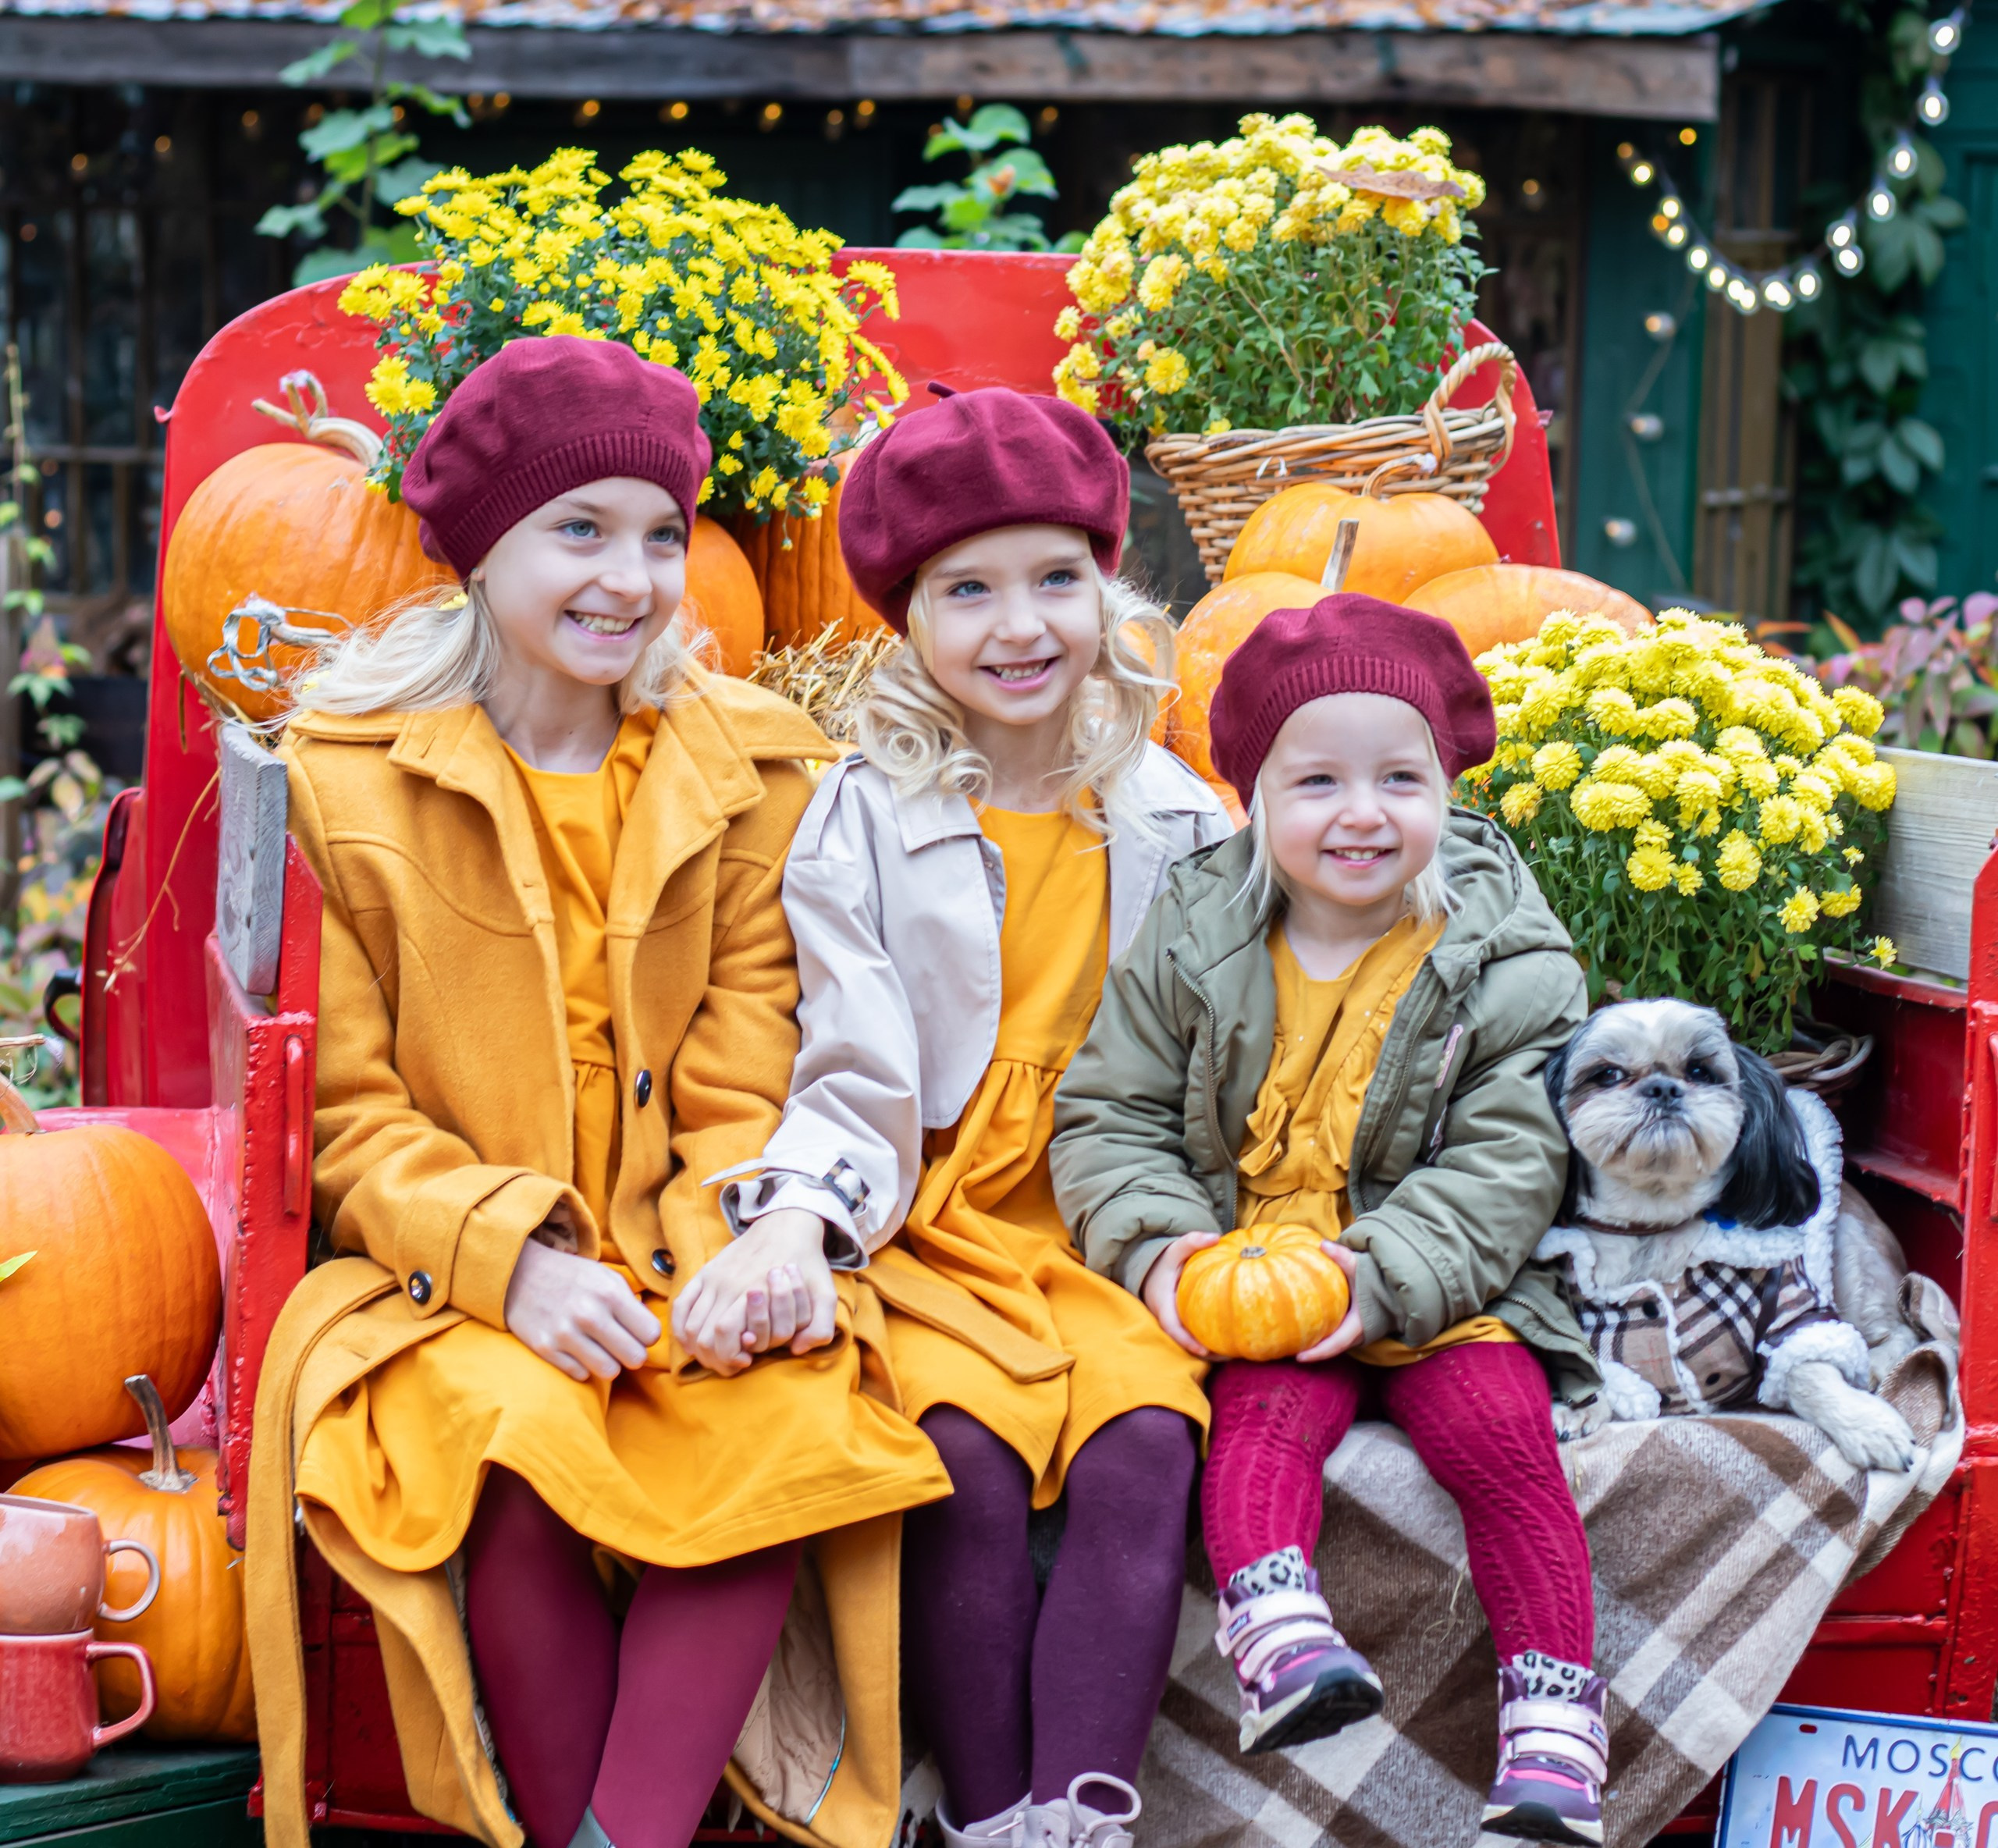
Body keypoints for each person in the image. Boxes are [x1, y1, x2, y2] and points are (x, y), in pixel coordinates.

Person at [246, 336, 951, 1848]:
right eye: (579, 530)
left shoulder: (755, 770)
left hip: (697, 1229)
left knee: (774, 1410)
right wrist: (510, 1258)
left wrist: (741, 1248)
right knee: (498, 1430)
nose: (628, 578)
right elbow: (347, 1112)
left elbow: (748, 1056)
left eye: (658, 535)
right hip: (453, 1267)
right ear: (483, 547)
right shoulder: (342, 780)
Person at [716, 386, 1232, 1848]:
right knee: (967, 1460)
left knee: (1144, 1446)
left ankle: (1078, 1819)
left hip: (1116, 1208)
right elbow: (856, 1065)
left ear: (1109, 590)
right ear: (907, 623)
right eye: (969, 591)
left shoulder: (1184, 819)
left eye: (1058, 578)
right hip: (939, 1209)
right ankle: (991, 1815)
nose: (1023, 626)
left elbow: (1233, 1055)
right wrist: (807, 1218)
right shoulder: (863, 818)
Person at [1051, 594, 1612, 1848]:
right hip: (1251, 1265)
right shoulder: (1196, 926)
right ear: (1252, 794)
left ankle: (1557, 1729)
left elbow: (1511, 1154)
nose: (1361, 813)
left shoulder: (1507, 953)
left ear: (1448, 786)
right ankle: (1280, 1634)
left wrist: (1384, 1279)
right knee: (1256, 1426)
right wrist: (1158, 1251)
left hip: (1440, 1278)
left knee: (1502, 1437)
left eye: (1399, 778)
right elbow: (1109, 1116)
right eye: (1317, 781)